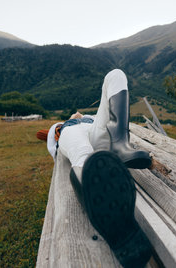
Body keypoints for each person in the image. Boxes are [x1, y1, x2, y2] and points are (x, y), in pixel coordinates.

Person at [37, 69, 152, 267]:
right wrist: (67, 122)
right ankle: (113, 222)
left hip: (97, 131)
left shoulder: (90, 117)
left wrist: (83, 116)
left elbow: (102, 116)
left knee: (115, 74)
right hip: (74, 132)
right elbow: (47, 137)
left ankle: (120, 146)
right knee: (85, 157)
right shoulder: (63, 125)